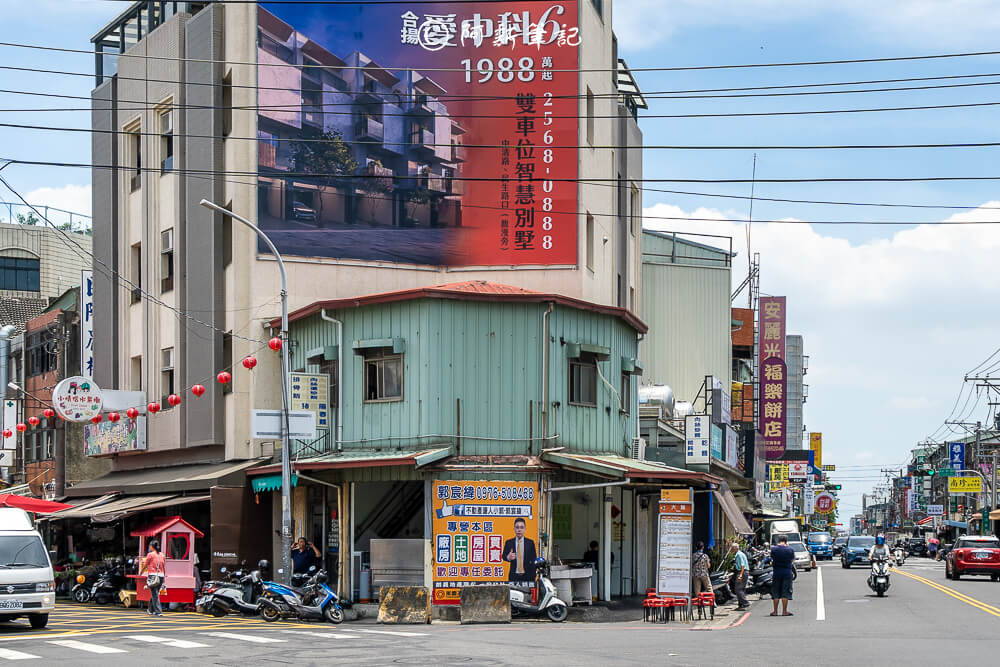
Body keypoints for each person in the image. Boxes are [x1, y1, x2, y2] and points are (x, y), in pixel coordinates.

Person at [503, 517, 537, 584]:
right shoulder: (509, 542)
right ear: (514, 529)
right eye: (517, 527)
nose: (519, 530)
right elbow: (503, 556)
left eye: (521, 527)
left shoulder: (530, 543)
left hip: (528, 576)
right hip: (514, 576)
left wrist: (533, 576)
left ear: (525, 529)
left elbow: (534, 559)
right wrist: (508, 557)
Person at [769, 535, 795, 616]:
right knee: (785, 592)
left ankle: (775, 611)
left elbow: (772, 558)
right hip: (787, 572)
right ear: (786, 541)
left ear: (778, 540)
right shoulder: (790, 549)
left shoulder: (774, 549)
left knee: (776, 592)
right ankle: (784, 611)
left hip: (776, 572)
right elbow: (793, 559)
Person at [138, 540, 165, 616]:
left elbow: (145, 565)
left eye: (149, 546)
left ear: (151, 546)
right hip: (161, 576)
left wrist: (141, 573)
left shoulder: (150, 554)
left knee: (155, 594)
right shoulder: (162, 555)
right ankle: (150, 609)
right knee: (155, 593)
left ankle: (158, 612)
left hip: (153, 576)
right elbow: (163, 566)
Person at [729, 541, 750, 610]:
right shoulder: (739, 554)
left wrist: (740, 575)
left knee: (738, 589)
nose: (731, 549)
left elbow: (742, 565)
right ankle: (741, 605)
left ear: (735, 548)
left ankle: (745, 603)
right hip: (743, 572)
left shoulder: (739, 555)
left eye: (732, 548)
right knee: (741, 589)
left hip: (742, 572)